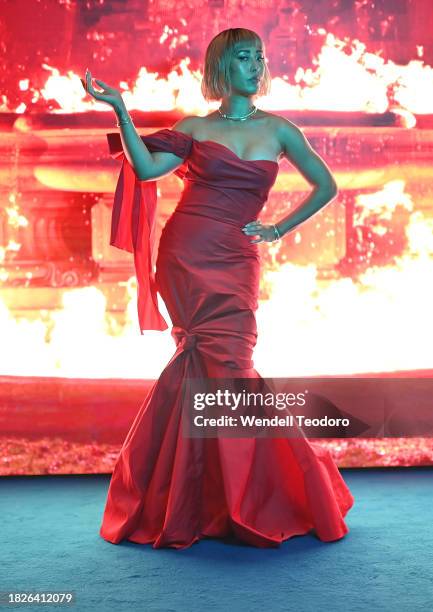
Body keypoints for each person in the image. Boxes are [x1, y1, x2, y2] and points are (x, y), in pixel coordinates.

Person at [82, 27, 354, 549]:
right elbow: (143, 169)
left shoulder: (279, 130)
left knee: (231, 368)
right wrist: (120, 108)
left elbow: (327, 185)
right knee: (201, 364)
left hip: (235, 259)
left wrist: (277, 228)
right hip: (185, 254)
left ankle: (230, 497)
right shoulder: (194, 127)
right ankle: (204, 499)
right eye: (244, 57)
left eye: (260, 57)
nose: (255, 66)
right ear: (222, 68)